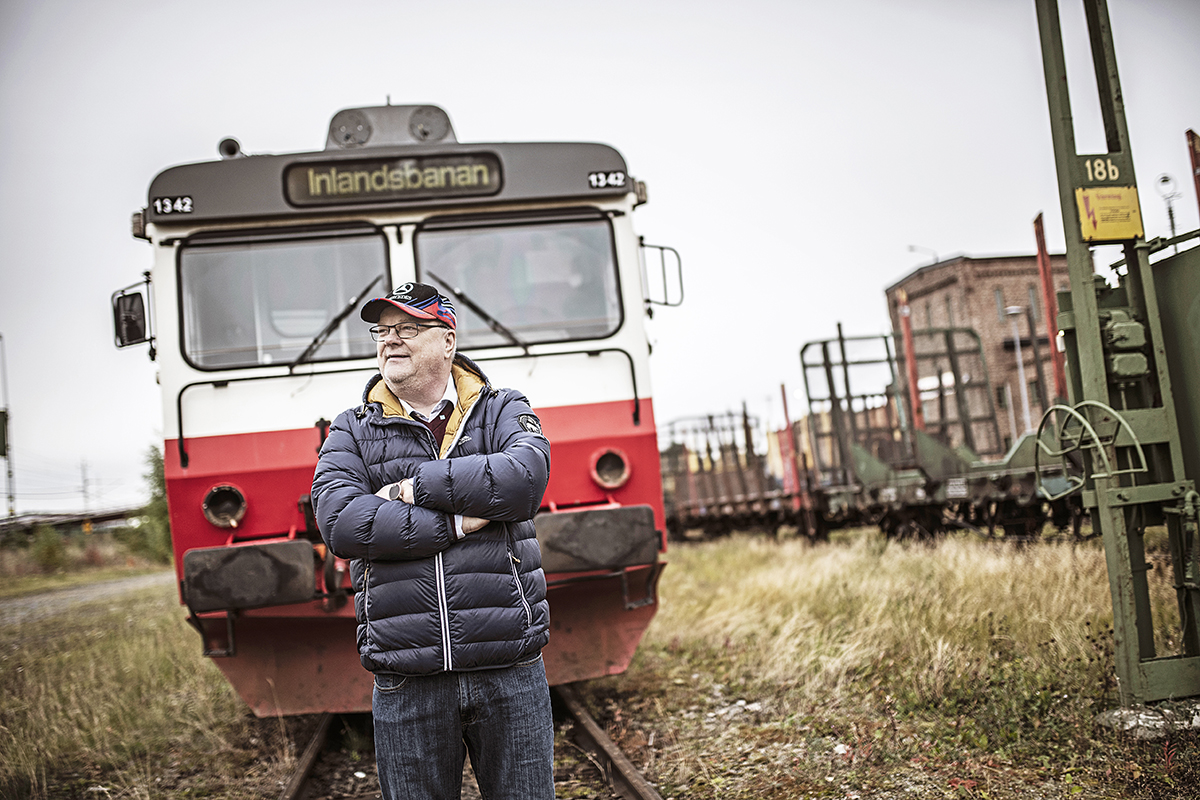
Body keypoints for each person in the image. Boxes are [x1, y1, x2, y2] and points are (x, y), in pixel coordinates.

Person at [311, 281, 555, 800]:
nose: (389, 341)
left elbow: (523, 480)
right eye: (382, 331)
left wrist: (412, 487)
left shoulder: (503, 408)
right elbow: (340, 522)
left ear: (447, 340)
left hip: (509, 667)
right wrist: (454, 523)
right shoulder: (350, 430)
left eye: (408, 329)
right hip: (406, 679)